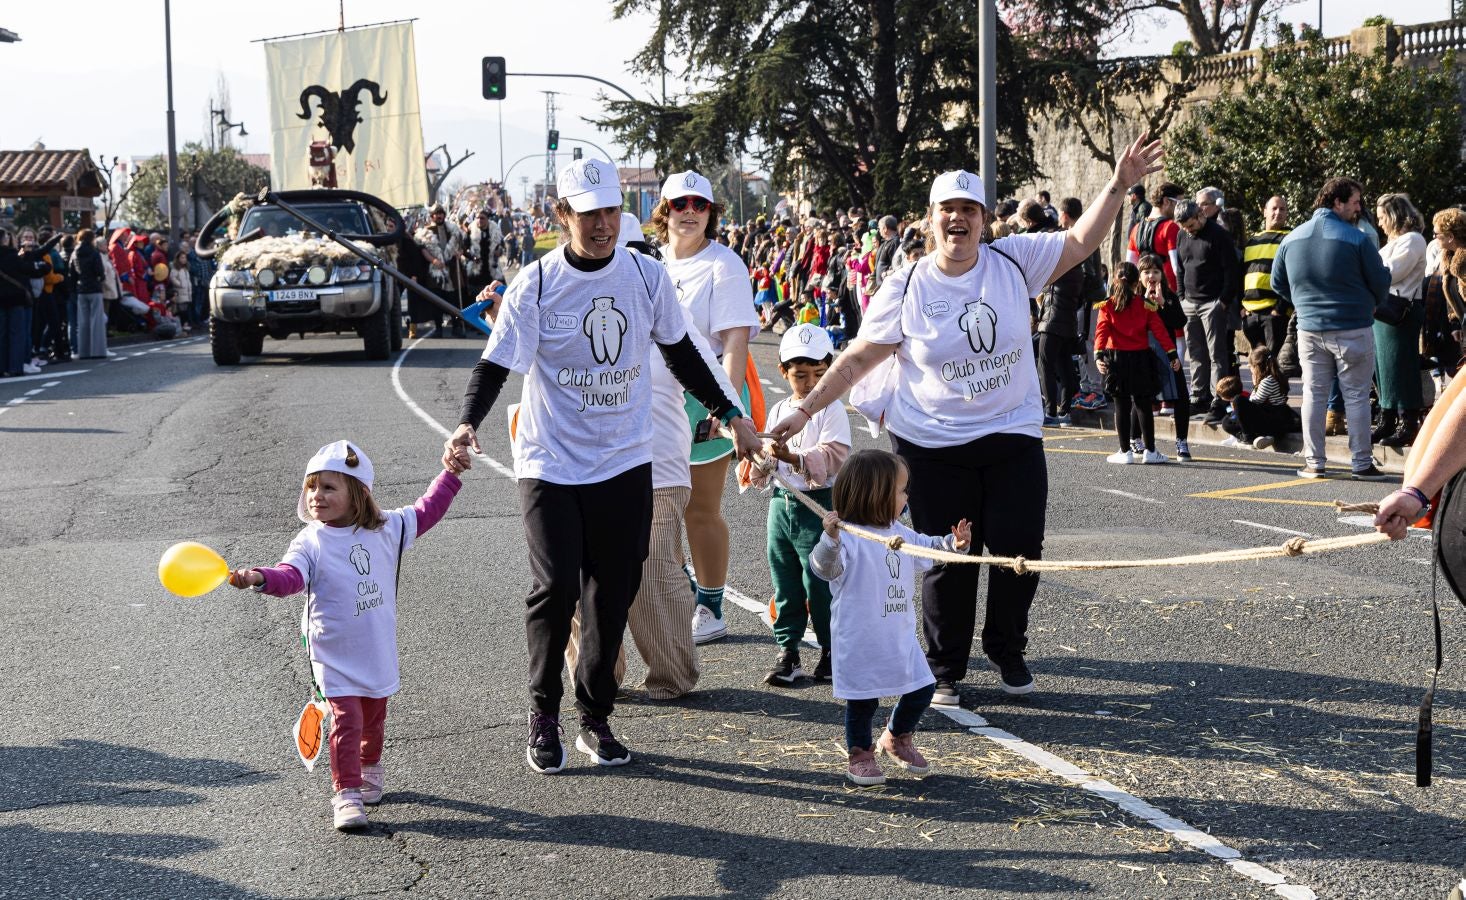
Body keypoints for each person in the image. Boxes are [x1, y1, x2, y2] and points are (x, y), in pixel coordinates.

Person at [771, 134, 1164, 705]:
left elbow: (1080, 241)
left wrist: (1119, 182)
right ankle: (946, 665)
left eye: (969, 210)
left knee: (1018, 548)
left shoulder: (1012, 260)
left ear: (983, 219)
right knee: (947, 556)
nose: (958, 219)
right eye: (947, 210)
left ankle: (1007, 648)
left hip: (1011, 433)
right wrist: (805, 410)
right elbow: (858, 356)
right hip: (932, 441)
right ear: (931, 220)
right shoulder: (905, 283)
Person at [443, 159, 759, 774]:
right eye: (589, 214)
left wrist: (731, 414)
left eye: (611, 212)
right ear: (564, 216)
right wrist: (465, 424)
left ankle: (594, 716)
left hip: (624, 458)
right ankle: (544, 714)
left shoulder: (646, 276)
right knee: (557, 585)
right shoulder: (535, 284)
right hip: (551, 460)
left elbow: (684, 352)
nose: (602, 225)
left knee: (612, 590)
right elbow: (495, 365)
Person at [226, 440, 464, 831]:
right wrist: (259, 577)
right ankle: (347, 793)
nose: (316, 496)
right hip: (332, 654)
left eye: (329, 487)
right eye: (312, 487)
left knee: (373, 716)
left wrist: (451, 475)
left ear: (357, 494)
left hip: (375, 649)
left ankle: (369, 768)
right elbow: (291, 577)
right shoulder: (311, 541)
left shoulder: (387, 528)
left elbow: (427, 509)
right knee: (346, 720)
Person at [809, 449, 971, 786]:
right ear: (877, 495)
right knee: (863, 701)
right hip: (860, 640)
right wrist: (830, 538)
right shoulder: (849, 536)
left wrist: (953, 545)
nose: (906, 496)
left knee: (922, 687)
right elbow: (823, 568)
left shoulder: (899, 532)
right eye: (901, 490)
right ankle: (860, 753)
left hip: (898, 637)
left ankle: (896, 736)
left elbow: (926, 550)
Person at [654, 170, 761, 646]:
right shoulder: (649, 262)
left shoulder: (724, 265)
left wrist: (728, 408)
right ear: (665, 211)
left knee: (700, 507)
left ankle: (711, 608)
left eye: (700, 205)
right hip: (653, 397)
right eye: (681, 204)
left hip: (704, 399)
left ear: (711, 213)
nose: (691, 212)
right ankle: (682, 591)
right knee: (658, 507)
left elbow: (735, 342)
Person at [746, 324, 850, 686]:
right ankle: (788, 650)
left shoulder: (831, 409)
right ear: (783, 372)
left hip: (818, 506)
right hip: (782, 503)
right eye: (800, 375)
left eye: (819, 375)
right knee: (784, 578)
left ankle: (831, 649)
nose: (809, 384)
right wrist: (761, 459)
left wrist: (792, 457)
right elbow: (765, 456)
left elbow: (835, 456)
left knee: (819, 580)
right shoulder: (779, 409)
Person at [1272, 177, 1391, 480]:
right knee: (1356, 396)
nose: (1358, 209)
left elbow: (1278, 284)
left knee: (1313, 394)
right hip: (1352, 326)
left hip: (1310, 328)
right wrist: (1369, 302)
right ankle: (1361, 463)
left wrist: (1303, 302)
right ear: (1336, 202)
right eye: (1354, 202)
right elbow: (1380, 283)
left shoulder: (1290, 239)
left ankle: (1314, 463)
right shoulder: (1357, 239)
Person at [1095, 262, 1178, 464]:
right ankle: (1150, 451)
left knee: (1121, 406)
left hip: (1116, 359)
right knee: (1143, 405)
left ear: (1115, 280)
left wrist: (1098, 356)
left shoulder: (1107, 305)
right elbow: (1160, 332)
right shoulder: (1146, 305)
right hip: (1141, 358)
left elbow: (1101, 332)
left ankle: (1125, 452)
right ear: (1136, 283)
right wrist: (1172, 355)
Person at [1174, 198, 1241, 424]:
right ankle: (1199, 395)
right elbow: (1181, 268)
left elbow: (1232, 271)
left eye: (1191, 226)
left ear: (1201, 216)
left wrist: (1223, 301)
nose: (1188, 231)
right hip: (1190, 302)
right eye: (1184, 227)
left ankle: (1218, 399)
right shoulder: (1182, 235)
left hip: (1213, 302)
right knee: (1195, 353)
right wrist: (1182, 296)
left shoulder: (1219, 236)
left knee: (1217, 355)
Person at [1373, 193, 1428, 448]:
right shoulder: (1393, 242)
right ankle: (1387, 418)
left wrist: (1368, 271)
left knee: (1400, 366)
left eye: (1383, 217)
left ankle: (1408, 422)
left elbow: (1391, 274)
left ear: (1395, 216)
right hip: (1384, 311)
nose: (1380, 223)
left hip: (1401, 311)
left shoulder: (1413, 240)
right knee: (1383, 368)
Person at [1137, 253, 1192, 459]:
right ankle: (1136, 439)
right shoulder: (1134, 298)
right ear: (1139, 275)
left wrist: (1162, 304)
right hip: (1141, 353)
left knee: (1181, 396)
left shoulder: (1169, 296)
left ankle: (1182, 441)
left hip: (1167, 353)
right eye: (1146, 272)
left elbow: (1179, 322)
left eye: (1155, 271)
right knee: (1140, 397)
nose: (1151, 276)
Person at [1241, 195, 1291, 359]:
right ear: (1264, 212)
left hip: (1274, 314)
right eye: (1274, 208)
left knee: (1273, 364)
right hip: (1250, 314)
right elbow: (1241, 274)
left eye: (1282, 209)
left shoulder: (1291, 238)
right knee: (1256, 365)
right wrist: (1240, 308)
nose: (1278, 212)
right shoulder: (1252, 240)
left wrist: (1280, 309)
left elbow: (1292, 276)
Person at [1217, 346, 1295, 449]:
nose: (1250, 369)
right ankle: (1252, 437)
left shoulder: (1268, 381)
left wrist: (1255, 385)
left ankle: (1248, 438)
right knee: (1226, 422)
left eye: (1251, 366)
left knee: (1238, 401)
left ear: (1257, 367)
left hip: (1274, 420)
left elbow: (1254, 401)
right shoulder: (1272, 377)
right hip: (1272, 418)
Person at [72, 229, 108, 359]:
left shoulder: (75, 253)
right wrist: (102, 278)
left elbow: (72, 272)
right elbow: (99, 271)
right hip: (94, 288)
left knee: (83, 321)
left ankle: (84, 351)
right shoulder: (94, 253)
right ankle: (97, 351)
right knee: (96, 320)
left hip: (81, 289)